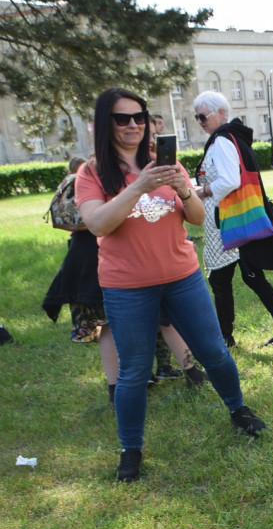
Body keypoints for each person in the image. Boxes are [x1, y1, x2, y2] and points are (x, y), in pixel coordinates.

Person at [76, 87, 268, 482]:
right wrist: (139, 187)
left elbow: (196, 217)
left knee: (214, 352)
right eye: (122, 118)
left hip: (183, 278)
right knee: (132, 372)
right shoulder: (92, 174)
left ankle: (238, 409)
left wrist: (182, 186)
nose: (133, 125)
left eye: (139, 118)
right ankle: (131, 450)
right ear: (105, 124)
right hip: (127, 287)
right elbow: (97, 223)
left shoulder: (167, 164)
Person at [43, 157, 203, 401]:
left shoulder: (113, 175)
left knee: (154, 320)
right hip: (101, 261)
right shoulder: (95, 176)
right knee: (108, 324)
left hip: (113, 260)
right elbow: (97, 223)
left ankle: (174, 374)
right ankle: (120, 388)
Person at [192, 91, 273, 347]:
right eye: (196, 117)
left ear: (220, 112)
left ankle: (225, 339)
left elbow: (230, 180)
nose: (200, 121)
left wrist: (203, 190)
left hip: (227, 220)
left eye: (203, 116)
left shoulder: (222, 141)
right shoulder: (235, 137)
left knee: (220, 280)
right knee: (252, 277)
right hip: (241, 218)